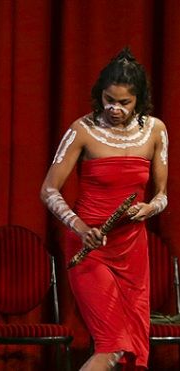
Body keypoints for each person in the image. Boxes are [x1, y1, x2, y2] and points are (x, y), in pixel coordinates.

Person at [40, 48, 166, 370]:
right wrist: (80, 227)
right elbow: (49, 189)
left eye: (124, 102)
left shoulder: (155, 131)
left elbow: (162, 196)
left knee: (131, 349)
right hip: (89, 245)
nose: (115, 108)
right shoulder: (82, 130)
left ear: (139, 99)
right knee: (112, 344)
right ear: (100, 95)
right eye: (109, 99)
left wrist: (149, 209)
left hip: (132, 249)